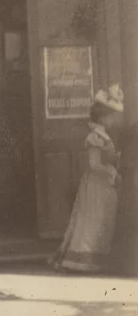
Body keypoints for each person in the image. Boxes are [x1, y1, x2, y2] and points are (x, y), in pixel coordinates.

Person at [51, 85, 124, 273]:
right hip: (95, 185)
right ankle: (81, 261)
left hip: (105, 186)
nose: (113, 120)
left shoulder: (105, 135)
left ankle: (96, 260)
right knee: (91, 221)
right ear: (102, 117)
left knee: (102, 221)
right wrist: (110, 170)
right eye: (110, 116)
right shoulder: (95, 136)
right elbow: (94, 164)